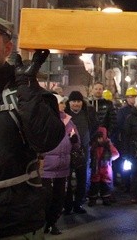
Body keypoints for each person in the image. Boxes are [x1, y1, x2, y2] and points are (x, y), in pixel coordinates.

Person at [0, 12, 65, 237]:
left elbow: (46, 140)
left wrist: (28, 88)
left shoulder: (24, 90)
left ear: (7, 49)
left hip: (14, 221)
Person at [42, 93, 80, 235]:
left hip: (63, 166)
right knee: (46, 197)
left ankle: (52, 223)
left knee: (59, 197)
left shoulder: (69, 121)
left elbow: (77, 145)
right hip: (46, 166)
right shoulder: (45, 120)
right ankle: (44, 222)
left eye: (63, 103)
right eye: (60, 103)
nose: (63, 105)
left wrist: (75, 141)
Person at [64, 90, 98, 215]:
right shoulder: (65, 114)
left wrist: (89, 141)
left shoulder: (88, 113)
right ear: (69, 102)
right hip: (68, 150)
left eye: (78, 101)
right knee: (67, 178)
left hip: (84, 149)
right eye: (73, 101)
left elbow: (94, 126)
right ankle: (67, 205)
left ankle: (78, 204)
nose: (76, 104)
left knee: (82, 178)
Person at [87, 126, 119, 206]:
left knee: (105, 184)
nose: (100, 139)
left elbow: (116, 154)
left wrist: (109, 158)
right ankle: (93, 199)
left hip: (105, 168)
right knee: (94, 183)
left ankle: (106, 198)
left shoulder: (108, 144)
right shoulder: (93, 145)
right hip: (96, 168)